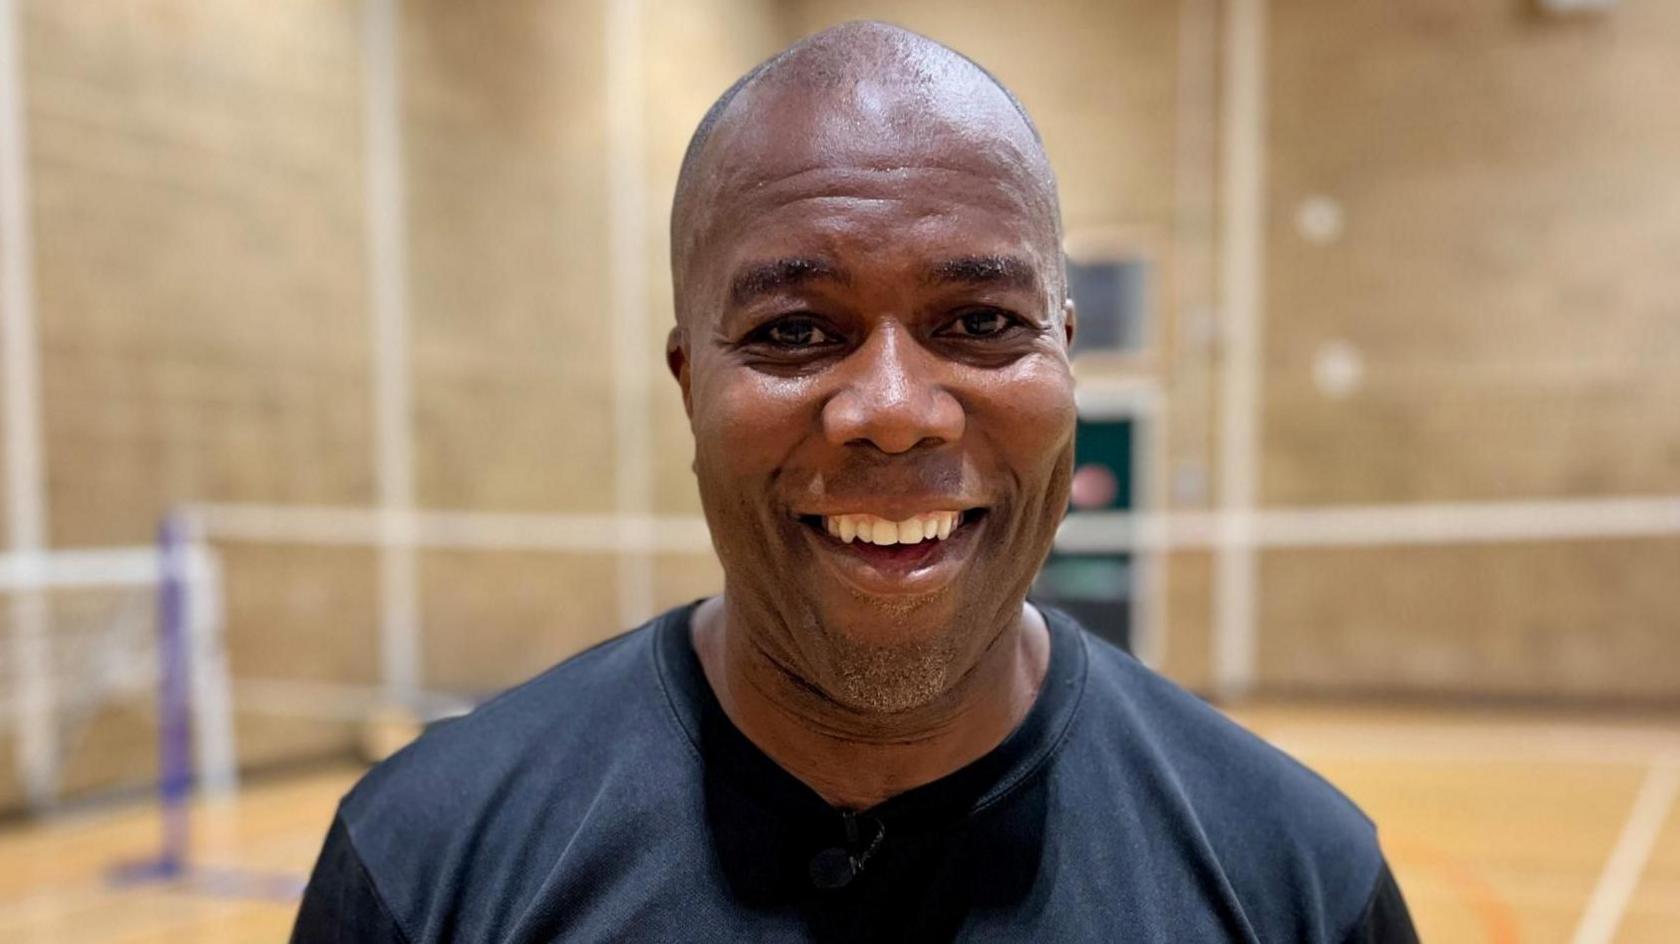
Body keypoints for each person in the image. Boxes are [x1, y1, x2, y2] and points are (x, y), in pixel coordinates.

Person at [292, 21, 1418, 943]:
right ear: (690, 380)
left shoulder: (1299, 880)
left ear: (1068, 354)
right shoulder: (424, 865)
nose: (891, 409)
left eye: (979, 322)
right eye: (792, 330)